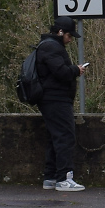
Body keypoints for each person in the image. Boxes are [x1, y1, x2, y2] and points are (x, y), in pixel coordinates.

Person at [36, 17, 89, 192]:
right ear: (60, 32)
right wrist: (76, 70)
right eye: (69, 35)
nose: (70, 39)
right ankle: (64, 177)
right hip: (56, 99)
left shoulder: (49, 46)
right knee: (65, 137)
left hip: (53, 99)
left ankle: (51, 177)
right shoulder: (51, 47)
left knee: (55, 137)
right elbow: (60, 72)